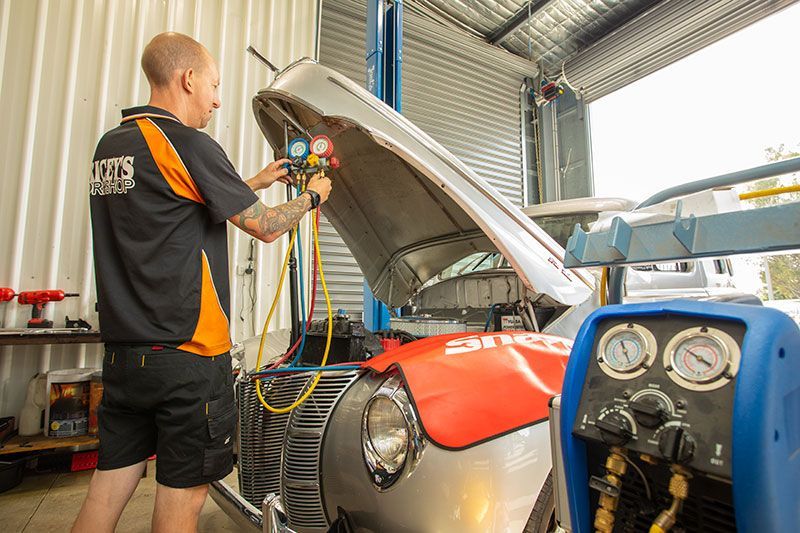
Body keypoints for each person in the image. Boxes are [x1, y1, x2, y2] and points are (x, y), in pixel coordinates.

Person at [72, 32, 331, 533]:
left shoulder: (113, 145)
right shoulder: (191, 143)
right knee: (182, 502)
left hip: (126, 358)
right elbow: (268, 227)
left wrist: (250, 182)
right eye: (213, 86)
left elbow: (169, 204)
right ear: (187, 79)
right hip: (188, 359)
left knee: (106, 492)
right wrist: (314, 196)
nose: (216, 99)